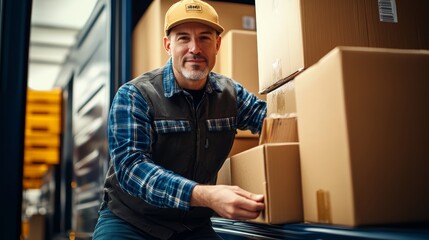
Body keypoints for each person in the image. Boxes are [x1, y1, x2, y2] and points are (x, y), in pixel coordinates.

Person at [92, 0, 267, 239]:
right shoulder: (136, 95)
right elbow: (131, 169)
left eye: (204, 38)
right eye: (183, 38)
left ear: (217, 44)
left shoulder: (231, 95)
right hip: (131, 222)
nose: (194, 48)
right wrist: (206, 195)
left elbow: (273, 123)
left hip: (192, 226)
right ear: (168, 45)